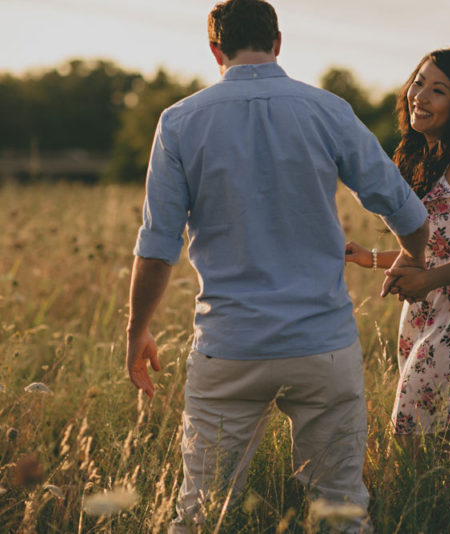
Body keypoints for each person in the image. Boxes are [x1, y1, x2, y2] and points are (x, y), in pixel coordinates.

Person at [124, 1, 429, 532]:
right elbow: (404, 208)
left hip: (230, 346)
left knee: (204, 516)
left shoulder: (179, 122)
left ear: (214, 49)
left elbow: (157, 247)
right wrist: (414, 258)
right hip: (323, 342)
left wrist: (137, 332)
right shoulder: (328, 110)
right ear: (278, 43)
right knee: (339, 511)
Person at [345, 49, 450, 446]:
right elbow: (439, 245)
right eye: (418, 82)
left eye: (438, 90)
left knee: (412, 438)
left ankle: (429, 509)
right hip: (428, 310)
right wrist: (367, 258)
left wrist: (428, 281)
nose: (420, 95)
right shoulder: (425, 156)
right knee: (424, 445)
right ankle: (436, 509)